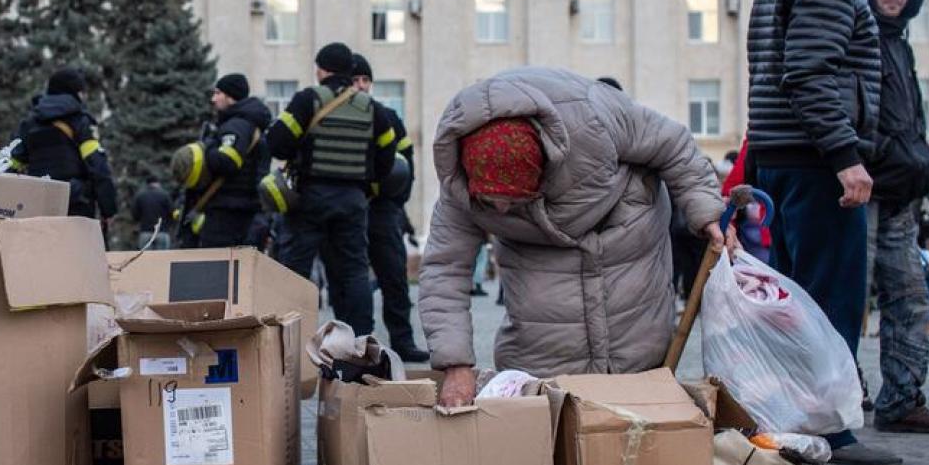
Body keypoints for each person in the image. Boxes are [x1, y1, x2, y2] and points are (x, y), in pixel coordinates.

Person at [422, 68, 725, 407]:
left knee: (637, 400)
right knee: (548, 415)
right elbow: (444, 268)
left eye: (513, 198)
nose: (502, 210)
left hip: (626, 249)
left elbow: (674, 145)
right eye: (491, 202)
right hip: (541, 338)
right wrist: (456, 364)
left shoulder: (594, 113)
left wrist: (706, 212)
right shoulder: (462, 184)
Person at [745, 0, 900, 465]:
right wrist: (845, 159)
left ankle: (795, 423)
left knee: (796, 299)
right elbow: (809, 74)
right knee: (829, 302)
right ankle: (829, 432)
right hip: (815, 164)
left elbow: (769, 71)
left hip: (782, 157)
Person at [860, 0, 929, 435]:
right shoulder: (860, 34)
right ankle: (835, 396)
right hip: (864, 188)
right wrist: (887, 155)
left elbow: (908, 117)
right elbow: (855, 113)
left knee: (910, 295)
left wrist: (920, 158)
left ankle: (901, 398)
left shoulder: (899, 42)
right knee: (847, 296)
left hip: (901, 191)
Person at [267, 42, 395, 336]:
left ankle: (290, 340)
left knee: (295, 271)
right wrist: (364, 184)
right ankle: (360, 343)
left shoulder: (306, 100)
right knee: (353, 272)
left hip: (309, 199)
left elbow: (278, 143)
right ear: (351, 73)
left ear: (321, 70)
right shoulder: (371, 108)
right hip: (352, 200)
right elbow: (387, 158)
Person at [352, 54, 429, 363]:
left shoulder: (386, 116)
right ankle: (361, 344)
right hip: (352, 210)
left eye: (365, 80)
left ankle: (403, 341)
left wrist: (396, 200)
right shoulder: (339, 118)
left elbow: (407, 162)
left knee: (394, 278)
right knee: (353, 279)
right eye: (355, 80)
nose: (361, 86)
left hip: (384, 210)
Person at [9, 68, 118, 222]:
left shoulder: (29, 124)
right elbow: (97, 166)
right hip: (76, 203)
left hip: (37, 203)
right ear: (75, 92)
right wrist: (109, 209)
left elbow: (12, 166)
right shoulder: (81, 121)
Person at [184, 73, 272, 248]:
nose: (213, 99)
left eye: (218, 93)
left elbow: (227, 161)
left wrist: (207, 147)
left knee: (217, 269)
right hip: (241, 209)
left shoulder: (236, 125)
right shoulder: (247, 123)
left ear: (230, 97)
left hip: (227, 212)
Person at [131, 180, 173, 250]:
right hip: (162, 232)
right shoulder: (165, 195)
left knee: (146, 259)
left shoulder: (140, 196)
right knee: (163, 258)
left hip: (145, 232)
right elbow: (172, 212)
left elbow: (135, 215)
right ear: (158, 183)